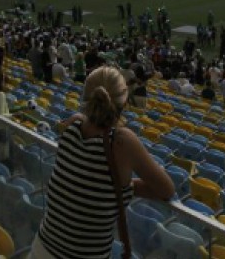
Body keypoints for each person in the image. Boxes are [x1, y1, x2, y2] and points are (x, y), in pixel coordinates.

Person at [32, 66, 174, 258]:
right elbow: (166, 189)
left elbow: (82, 174)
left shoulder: (72, 127)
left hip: (42, 247)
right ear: (124, 100)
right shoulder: (123, 142)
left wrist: (120, 186)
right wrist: (123, 187)